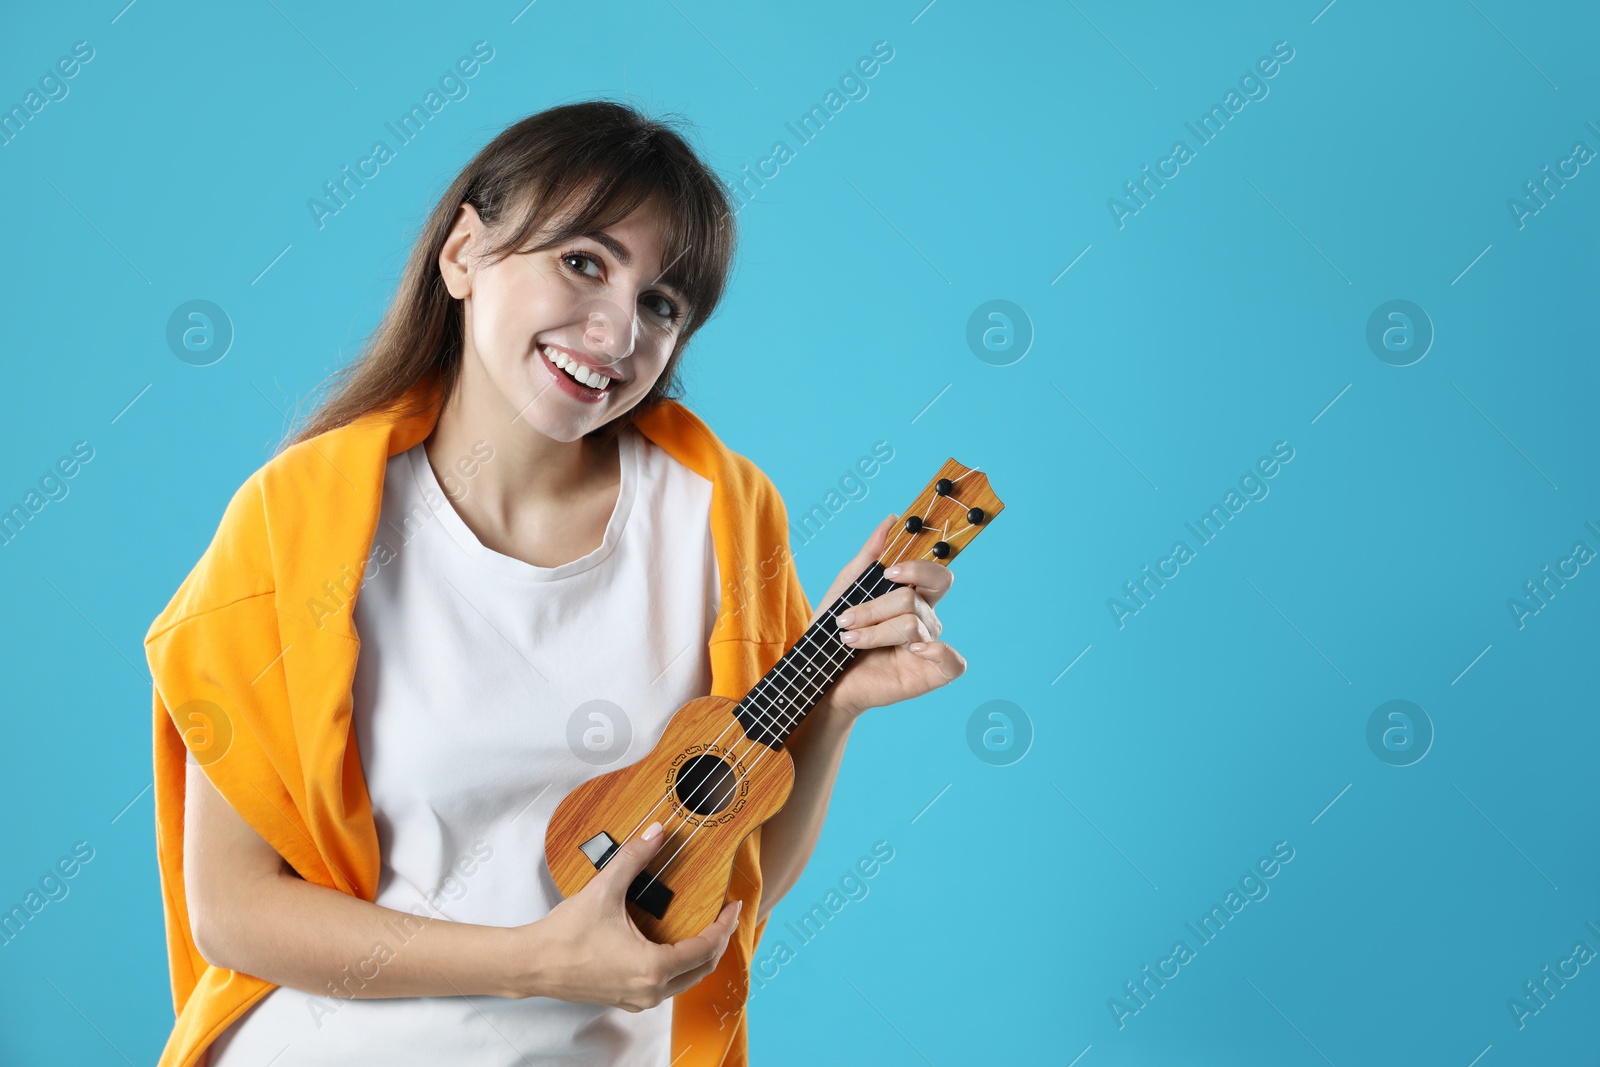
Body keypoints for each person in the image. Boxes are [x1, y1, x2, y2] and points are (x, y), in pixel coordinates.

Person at [145, 100, 965, 1067]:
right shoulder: (303, 518)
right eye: (584, 261)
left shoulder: (723, 517)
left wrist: (829, 712)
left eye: (662, 303)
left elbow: (718, 886)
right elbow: (234, 913)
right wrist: (534, 961)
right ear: (463, 253)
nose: (618, 330)